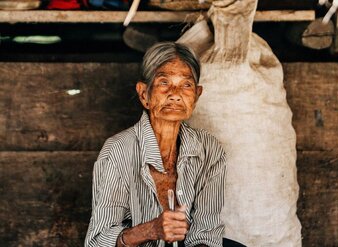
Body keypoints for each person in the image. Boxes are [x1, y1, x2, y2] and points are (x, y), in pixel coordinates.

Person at [85, 42, 240, 247]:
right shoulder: (118, 150)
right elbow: (97, 242)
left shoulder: (209, 149)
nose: (175, 94)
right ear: (144, 95)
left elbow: (206, 230)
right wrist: (151, 230)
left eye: (186, 85)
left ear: (196, 95)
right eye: (164, 82)